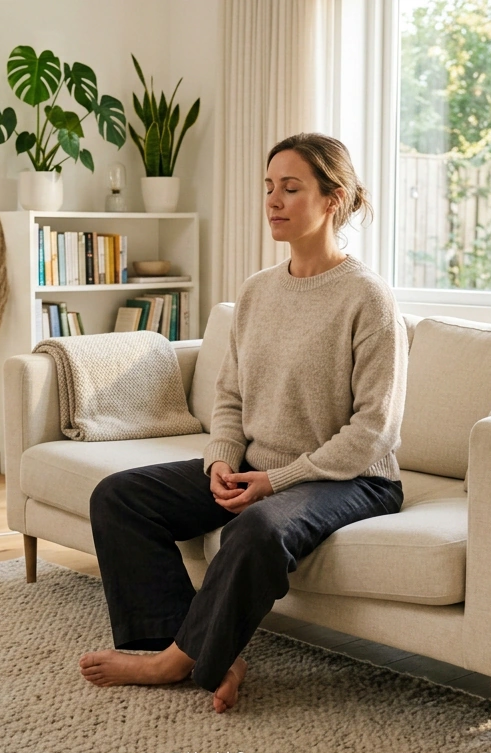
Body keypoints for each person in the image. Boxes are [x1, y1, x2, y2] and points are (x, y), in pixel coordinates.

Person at [78, 132, 407, 713]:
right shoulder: (257, 292)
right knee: (120, 497)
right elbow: (230, 394)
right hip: (258, 465)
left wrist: (274, 483)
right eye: (268, 187)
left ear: (333, 198)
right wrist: (222, 461)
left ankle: (175, 660)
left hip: (352, 480)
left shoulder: (368, 299)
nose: (273, 200)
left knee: (255, 529)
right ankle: (208, 651)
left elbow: (372, 431)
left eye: (291, 187)